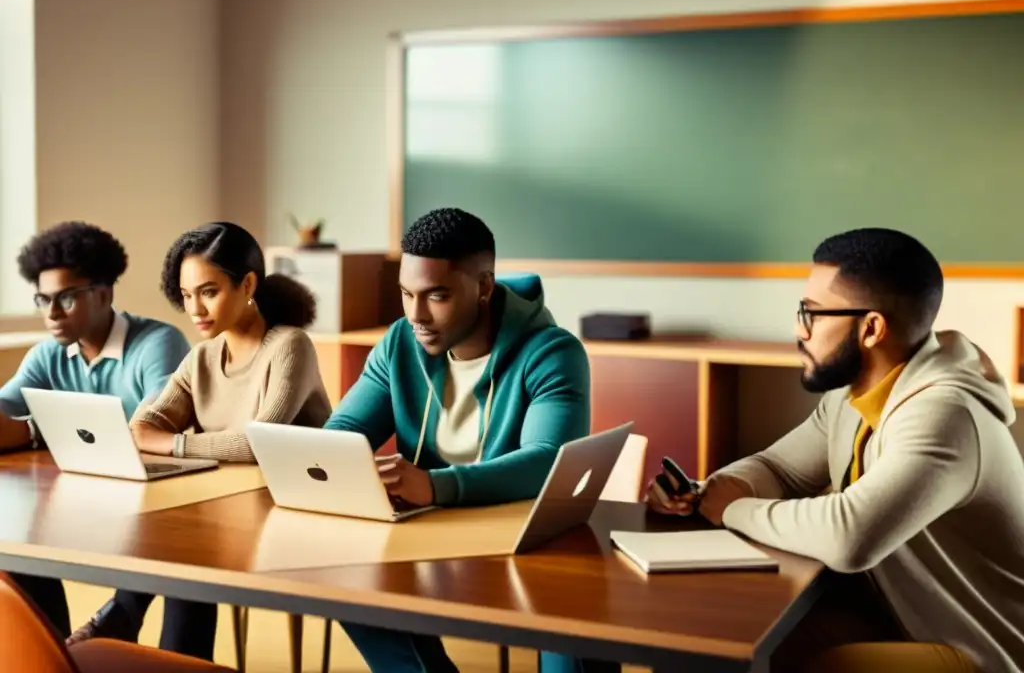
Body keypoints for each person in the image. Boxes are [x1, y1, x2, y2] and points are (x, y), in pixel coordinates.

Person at [647, 227, 1024, 673]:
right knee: (721, 643)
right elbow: (780, 469)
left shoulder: (945, 415)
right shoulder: (853, 395)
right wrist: (714, 489)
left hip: (982, 651)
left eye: (812, 314)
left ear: (871, 328)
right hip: (900, 617)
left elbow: (850, 537)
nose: (797, 329)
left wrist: (732, 509)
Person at [324, 207, 613, 673]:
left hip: (527, 548)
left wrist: (436, 486)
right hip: (428, 540)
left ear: (483, 286)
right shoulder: (400, 343)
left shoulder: (553, 353)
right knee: (342, 582)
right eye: (406, 294)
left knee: (574, 627)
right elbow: (339, 436)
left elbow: (546, 463)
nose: (416, 315)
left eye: (436, 295)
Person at [69, 221, 332, 658]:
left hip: (294, 514)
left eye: (208, 292)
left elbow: (259, 444)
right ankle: (150, 639)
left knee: (184, 543)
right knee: (180, 540)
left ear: (247, 283)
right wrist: (158, 436)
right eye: (187, 295)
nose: (195, 308)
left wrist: (173, 445)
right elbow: (142, 424)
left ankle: (121, 616)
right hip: (226, 510)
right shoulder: (204, 355)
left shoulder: (289, 346)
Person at [0, 222, 191, 639]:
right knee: (12, 543)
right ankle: (55, 654)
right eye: (43, 299)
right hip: (82, 496)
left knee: (187, 561)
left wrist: (35, 432)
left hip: (163, 504)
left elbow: (158, 426)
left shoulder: (158, 343)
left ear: (104, 294)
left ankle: (123, 623)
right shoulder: (47, 355)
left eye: (66, 297)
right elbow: (4, 415)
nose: (51, 312)